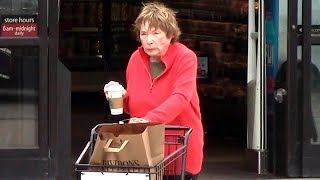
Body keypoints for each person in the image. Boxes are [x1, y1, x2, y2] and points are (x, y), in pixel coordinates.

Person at [104, 2, 204, 179]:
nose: (148, 40)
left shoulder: (186, 57)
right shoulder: (136, 58)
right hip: (144, 149)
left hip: (177, 145)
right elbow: (134, 104)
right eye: (143, 34)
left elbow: (181, 97)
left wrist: (147, 121)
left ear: (170, 34)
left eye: (155, 33)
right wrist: (121, 97)